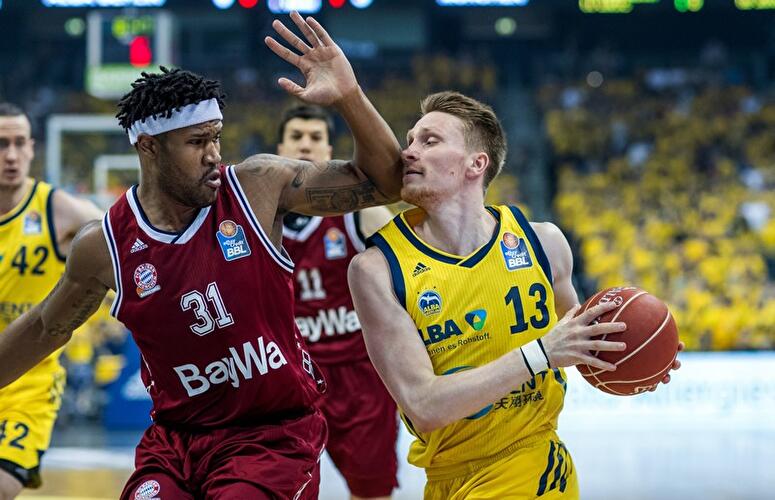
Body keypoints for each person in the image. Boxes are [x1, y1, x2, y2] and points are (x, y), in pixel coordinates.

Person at [0, 13, 402, 500]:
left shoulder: (258, 185)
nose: (214, 154)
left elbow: (386, 182)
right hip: (174, 443)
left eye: (216, 137)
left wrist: (349, 97)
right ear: (148, 147)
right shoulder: (103, 243)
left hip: (272, 436)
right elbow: (48, 326)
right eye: (197, 142)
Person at [348, 91, 683, 499]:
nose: (408, 152)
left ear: (476, 163)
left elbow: (580, 345)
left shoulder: (543, 243)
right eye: (411, 140)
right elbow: (424, 404)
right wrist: (542, 353)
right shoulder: (376, 268)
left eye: (429, 141)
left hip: (534, 465)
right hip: (445, 478)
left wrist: (641, 360)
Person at [277, 104, 398, 500]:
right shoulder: (254, 220)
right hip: (289, 379)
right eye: (297, 137)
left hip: (359, 375)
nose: (306, 146)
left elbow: (417, 273)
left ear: (330, 152)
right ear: (279, 149)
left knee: (371, 491)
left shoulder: (362, 215)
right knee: (273, 489)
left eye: (315, 139)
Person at [0, 102, 102, 498]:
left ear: (31, 148)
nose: (11, 155)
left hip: (29, 382)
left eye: (19, 143)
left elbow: (127, 241)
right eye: (1, 144)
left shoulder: (61, 211)